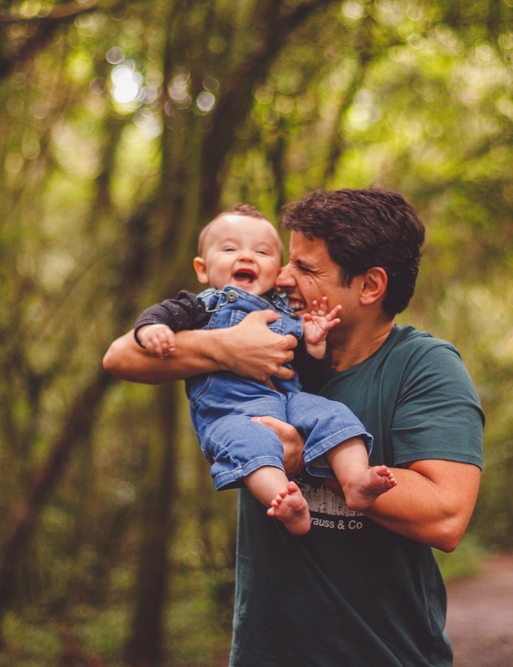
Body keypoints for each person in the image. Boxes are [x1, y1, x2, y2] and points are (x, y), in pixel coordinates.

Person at [103, 189, 484, 667]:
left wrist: (308, 459)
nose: (281, 278)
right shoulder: (265, 339)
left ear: (370, 286)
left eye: (304, 268)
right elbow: (120, 356)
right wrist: (226, 350)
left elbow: (446, 515)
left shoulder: (424, 367)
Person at [133, 205, 396, 535]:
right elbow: (157, 318)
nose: (246, 257)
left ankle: (355, 479)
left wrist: (314, 346)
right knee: (249, 443)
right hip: (230, 413)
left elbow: (312, 378)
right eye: (230, 249)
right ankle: (285, 501)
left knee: (333, 413)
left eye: (262, 252)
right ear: (202, 268)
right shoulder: (201, 305)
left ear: (277, 271)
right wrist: (151, 330)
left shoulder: (285, 310)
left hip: (288, 400)